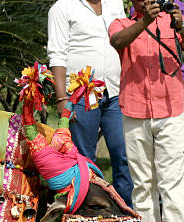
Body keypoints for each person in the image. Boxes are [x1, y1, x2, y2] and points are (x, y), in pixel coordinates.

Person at [109, 0, 184, 222]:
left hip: (171, 111)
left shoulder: (174, 19)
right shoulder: (123, 22)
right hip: (135, 111)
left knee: (174, 184)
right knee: (142, 183)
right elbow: (117, 41)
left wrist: (182, 27)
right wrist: (144, 22)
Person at [47, 0, 134, 207]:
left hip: (116, 91)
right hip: (82, 94)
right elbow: (57, 55)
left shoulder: (115, 3)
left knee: (124, 154)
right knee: (85, 158)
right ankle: (90, 212)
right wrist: (62, 99)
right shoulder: (62, 7)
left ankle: (127, 210)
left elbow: (123, 42)